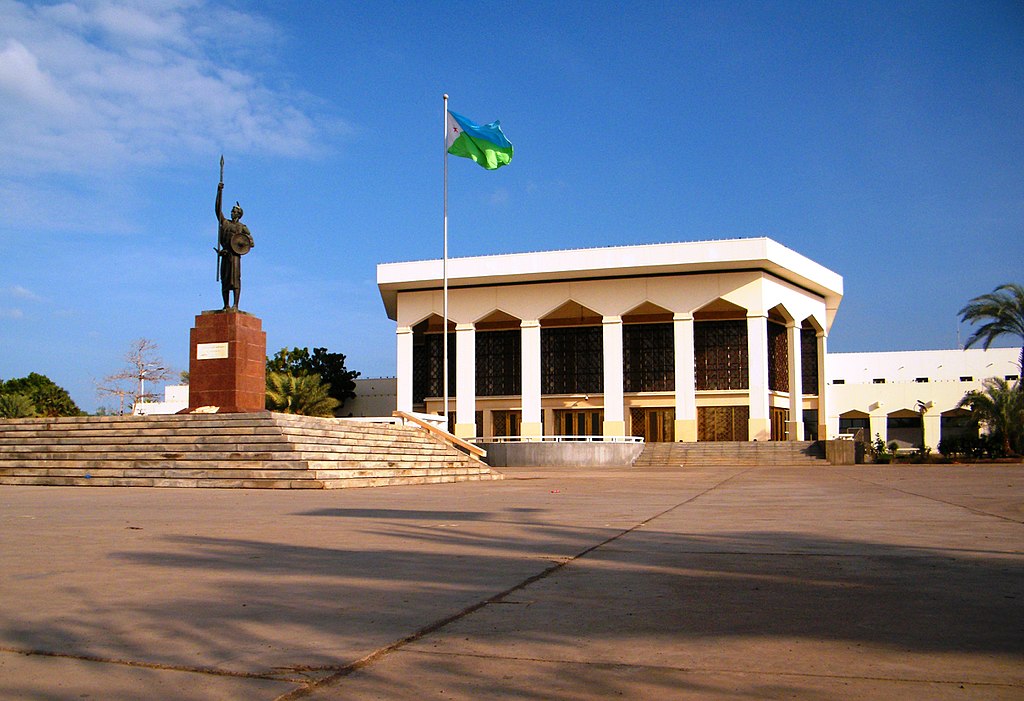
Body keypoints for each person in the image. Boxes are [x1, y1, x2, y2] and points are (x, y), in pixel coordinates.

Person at [215, 182, 254, 310]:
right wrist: (219, 192)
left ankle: (235, 305)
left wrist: (242, 244)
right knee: (225, 280)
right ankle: (225, 305)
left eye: (234, 211)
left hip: (235, 256)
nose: (232, 212)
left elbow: (251, 242)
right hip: (225, 255)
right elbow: (217, 210)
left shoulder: (242, 227)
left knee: (235, 280)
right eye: (232, 210)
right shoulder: (225, 223)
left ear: (239, 214)